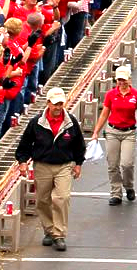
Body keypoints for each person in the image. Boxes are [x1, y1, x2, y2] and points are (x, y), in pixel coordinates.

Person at [15, 87, 85, 251]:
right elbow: (24, 144)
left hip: (64, 166)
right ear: (48, 103)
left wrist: (78, 163)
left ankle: (59, 235)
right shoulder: (36, 123)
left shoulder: (70, 122)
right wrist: (22, 161)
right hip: (42, 166)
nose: (58, 107)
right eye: (55, 104)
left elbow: (79, 145)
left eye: (61, 104)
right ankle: (49, 230)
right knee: (43, 200)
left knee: (61, 198)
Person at [90, 66, 137, 206]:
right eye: (119, 79)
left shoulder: (136, 95)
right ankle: (116, 192)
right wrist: (96, 131)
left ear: (129, 79)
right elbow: (104, 114)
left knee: (127, 164)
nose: (121, 82)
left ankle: (128, 186)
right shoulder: (111, 94)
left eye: (123, 79)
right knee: (113, 164)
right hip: (112, 131)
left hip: (128, 132)